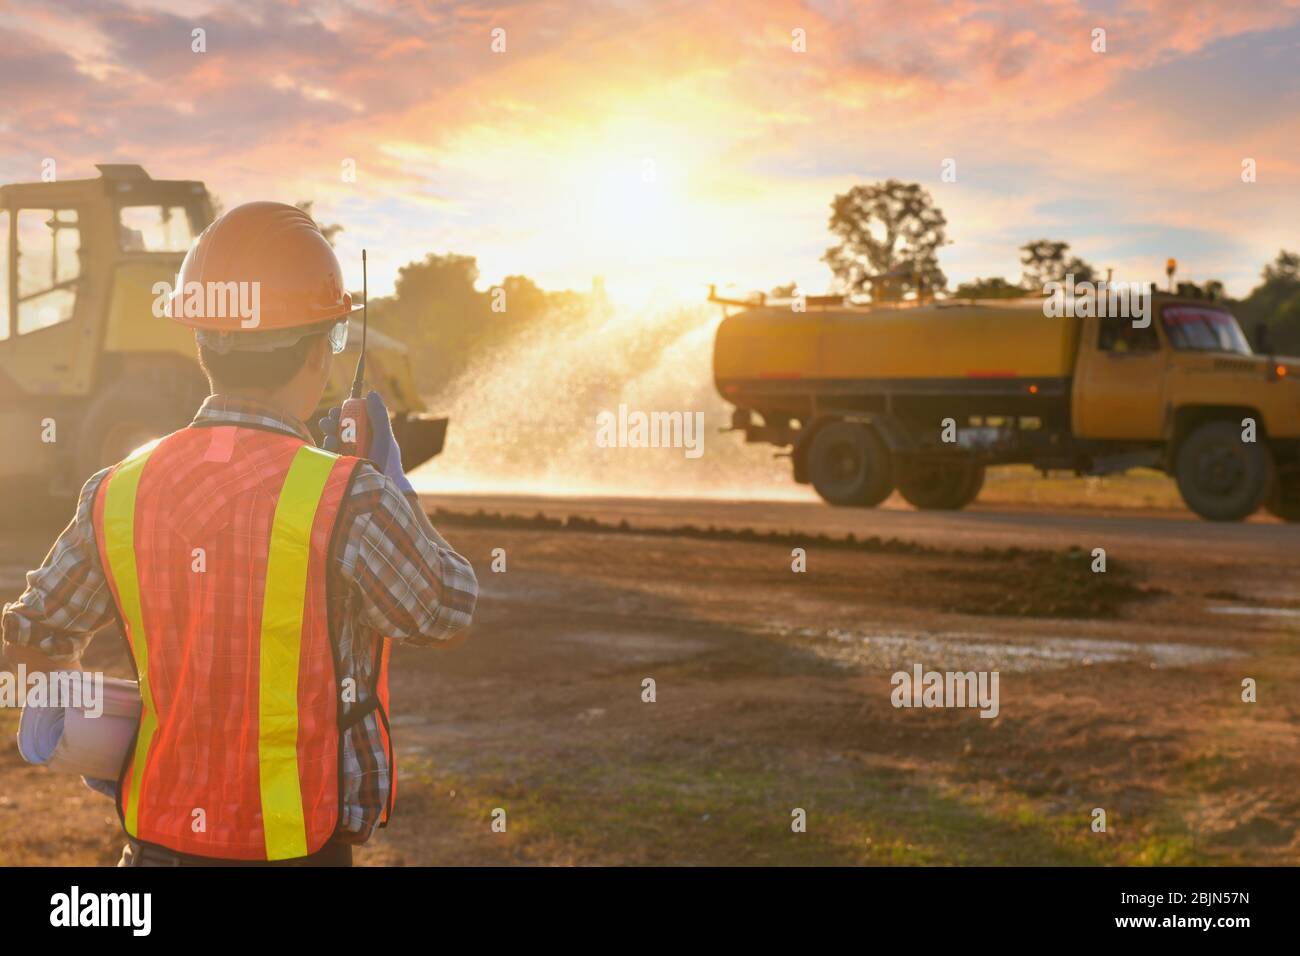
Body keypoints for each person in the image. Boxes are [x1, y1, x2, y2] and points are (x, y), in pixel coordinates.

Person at [1, 201, 477, 866]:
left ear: (201, 345)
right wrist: (395, 487)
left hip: (152, 850)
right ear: (320, 349)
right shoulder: (349, 496)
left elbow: (30, 644)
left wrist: (94, 728)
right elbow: (445, 613)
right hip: (292, 851)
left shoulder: (115, 490)